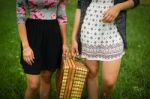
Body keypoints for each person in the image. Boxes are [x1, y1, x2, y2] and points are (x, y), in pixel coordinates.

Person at [71, 0, 139, 99]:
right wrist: (73, 38)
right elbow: (80, 7)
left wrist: (118, 7)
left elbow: (135, 1)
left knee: (109, 82)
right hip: (89, 30)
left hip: (113, 31)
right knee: (92, 72)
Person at [16, 0, 68, 99]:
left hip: (53, 34)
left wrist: (65, 43)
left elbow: (62, 16)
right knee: (33, 84)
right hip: (32, 34)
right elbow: (20, 17)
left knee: (46, 78)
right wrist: (26, 46)